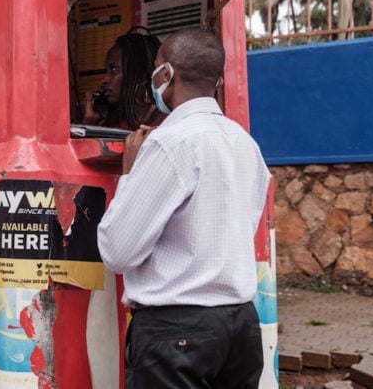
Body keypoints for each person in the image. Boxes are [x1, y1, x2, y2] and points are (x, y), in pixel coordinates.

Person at [97, 27, 271, 388]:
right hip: (241, 328)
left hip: (176, 335)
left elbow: (117, 251)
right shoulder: (245, 144)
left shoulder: (168, 143)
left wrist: (129, 173)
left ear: (166, 75)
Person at [82, 26, 165, 130]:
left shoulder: (166, 121)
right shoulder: (113, 121)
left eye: (113, 69)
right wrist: (90, 125)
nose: (105, 80)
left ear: (142, 75)